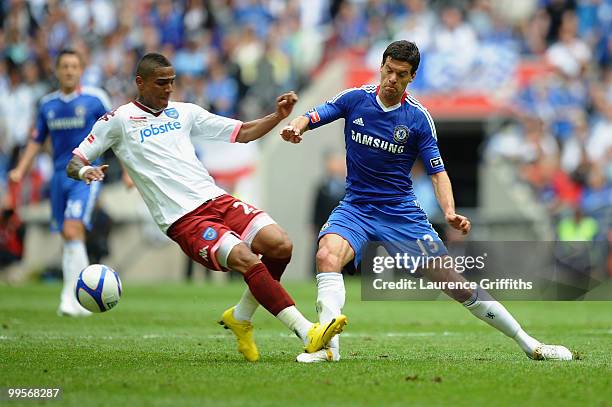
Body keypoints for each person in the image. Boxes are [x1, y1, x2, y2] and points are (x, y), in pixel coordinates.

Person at [281, 40, 572, 363]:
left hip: (401, 214)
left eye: (401, 74)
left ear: (412, 77)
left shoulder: (418, 119)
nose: (392, 79)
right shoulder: (355, 99)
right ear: (381, 67)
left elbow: (438, 172)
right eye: (388, 71)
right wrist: (297, 125)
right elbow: (315, 114)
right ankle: (328, 349)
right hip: (357, 207)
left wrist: (449, 211)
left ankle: (530, 344)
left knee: (456, 285)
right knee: (327, 255)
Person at [66, 53, 347, 362]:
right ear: (140, 82)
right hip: (183, 218)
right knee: (245, 258)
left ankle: (241, 317)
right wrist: (83, 171)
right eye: (161, 83)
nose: (168, 89)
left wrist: (277, 116)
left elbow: (242, 132)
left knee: (280, 245)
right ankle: (307, 331)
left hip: (215, 199)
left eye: (172, 82)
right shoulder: (117, 120)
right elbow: (76, 159)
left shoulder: (184, 112)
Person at [9, 49, 111, 316]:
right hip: (58, 177)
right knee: (69, 237)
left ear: (81, 70)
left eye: (74, 66)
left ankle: (72, 297)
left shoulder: (95, 99)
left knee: (71, 230)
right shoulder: (47, 104)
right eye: (64, 66)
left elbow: (115, 132)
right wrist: (21, 168)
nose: (68, 71)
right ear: (57, 70)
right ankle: (83, 295)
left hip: (85, 175)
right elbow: (36, 139)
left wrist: (127, 169)